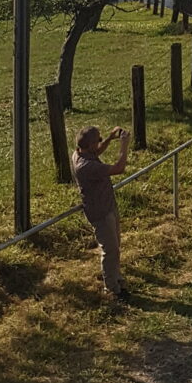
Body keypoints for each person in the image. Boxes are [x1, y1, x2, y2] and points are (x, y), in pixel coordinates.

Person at [72, 124, 131, 300]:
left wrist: (110, 139)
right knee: (110, 250)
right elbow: (119, 168)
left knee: (115, 246)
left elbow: (96, 152)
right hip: (100, 212)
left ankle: (116, 278)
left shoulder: (80, 153)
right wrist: (124, 145)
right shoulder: (86, 166)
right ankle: (112, 289)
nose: (100, 141)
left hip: (108, 206)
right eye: (98, 139)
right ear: (90, 145)